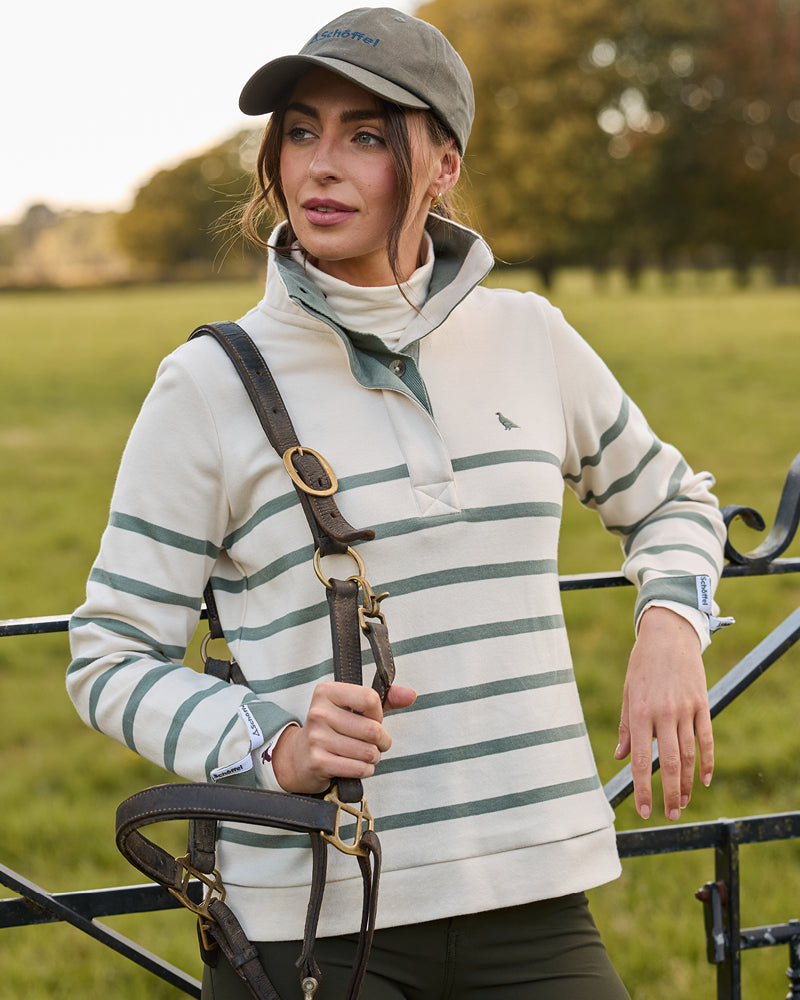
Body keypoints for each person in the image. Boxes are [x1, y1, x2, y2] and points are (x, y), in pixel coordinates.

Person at [67, 7, 732, 998]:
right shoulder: (205, 383)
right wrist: (274, 740)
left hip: (536, 900)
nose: (320, 165)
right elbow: (106, 655)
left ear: (440, 166)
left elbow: (671, 500)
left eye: (366, 135)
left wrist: (669, 625)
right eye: (301, 130)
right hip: (318, 926)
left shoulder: (530, 337)